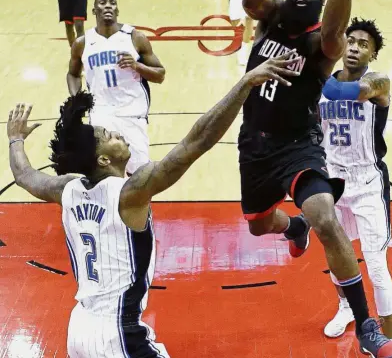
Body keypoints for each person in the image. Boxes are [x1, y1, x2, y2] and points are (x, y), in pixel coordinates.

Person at [7, 53, 298, 358]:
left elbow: (25, 175)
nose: (117, 133)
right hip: (119, 334)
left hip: (79, 328)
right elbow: (196, 142)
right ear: (104, 159)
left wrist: (15, 139)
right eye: (109, 136)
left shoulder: (65, 188)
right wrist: (245, 83)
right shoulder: (130, 191)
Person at [239, 0, 392, 357]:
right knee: (258, 226)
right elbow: (250, 2)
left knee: (327, 221)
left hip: (303, 148)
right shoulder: (270, 17)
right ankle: (293, 227)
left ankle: (368, 325)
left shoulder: (321, 43)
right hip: (254, 145)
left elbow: (334, 38)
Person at [319, 18, 392, 345]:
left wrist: (311, 69)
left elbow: (346, 91)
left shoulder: (378, 82)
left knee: (376, 265)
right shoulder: (324, 82)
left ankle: (389, 341)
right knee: (337, 255)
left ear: (373, 53)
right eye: (350, 40)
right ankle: (347, 307)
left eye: (363, 44)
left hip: (367, 183)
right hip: (332, 182)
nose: (354, 47)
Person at [67, 0, 165, 176]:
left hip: (131, 112)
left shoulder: (135, 37)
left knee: (140, 175)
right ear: (94, 10)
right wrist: (76, 97)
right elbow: (73, 74)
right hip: (100, 112)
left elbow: (160, 75)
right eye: (102, 3)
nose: (108, 6)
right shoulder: (82, 43)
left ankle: (141, 205)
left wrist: (137, 66)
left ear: (117, 10)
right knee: (104, 172)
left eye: (112, 3)